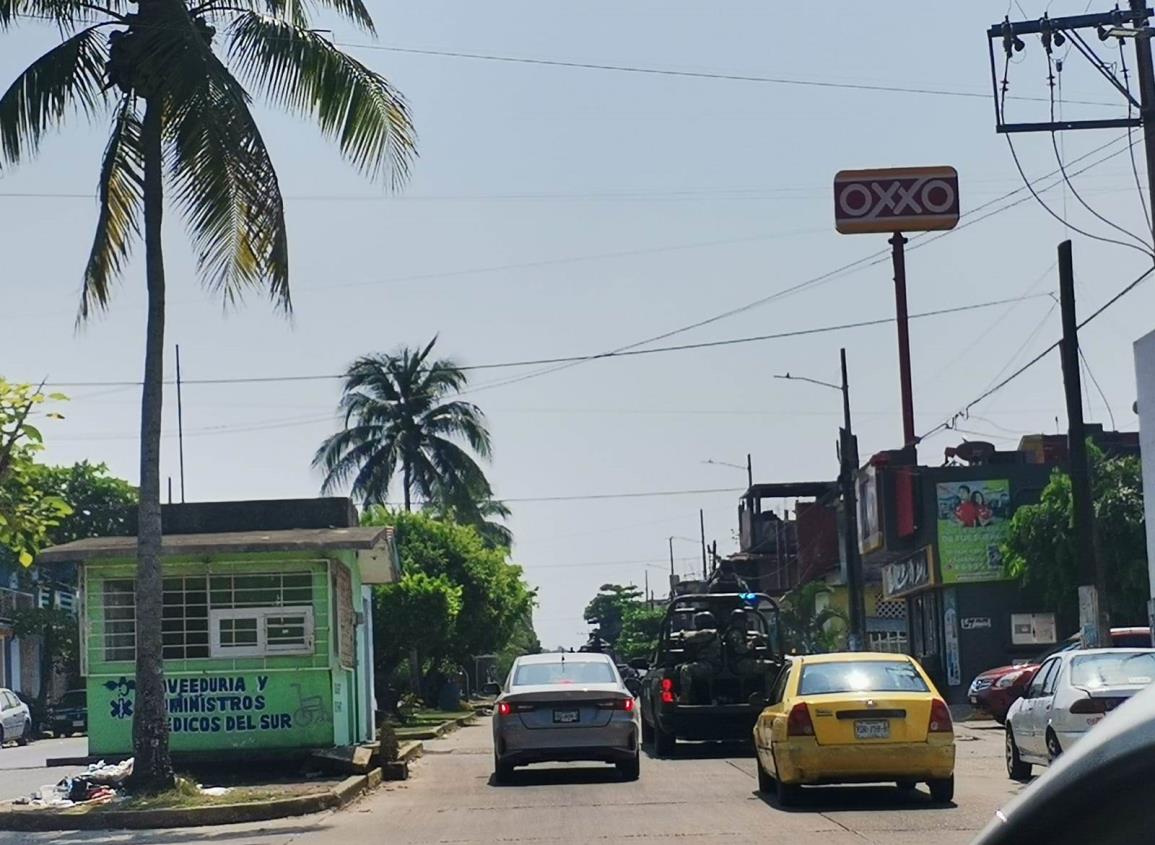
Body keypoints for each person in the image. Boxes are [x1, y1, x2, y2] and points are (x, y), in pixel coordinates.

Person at [678, 611, 720, 704]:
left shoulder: (710, 633)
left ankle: (685, 697)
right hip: (705, 663)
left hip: (711, 665)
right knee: (679, 668)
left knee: (686, 669)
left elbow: (691, 637)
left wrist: (683, 633)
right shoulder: (708, 634)